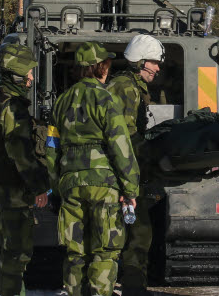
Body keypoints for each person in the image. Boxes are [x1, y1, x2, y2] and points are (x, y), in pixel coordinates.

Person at [44, 42, 140, 296]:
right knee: (105, 251)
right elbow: (121, 146)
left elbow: (51, 147)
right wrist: (130, 189)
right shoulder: (106, 98)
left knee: (76, 252)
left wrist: (55, 188)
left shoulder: (62, 102)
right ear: (101, 67)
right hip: (103, 183)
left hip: (70, 183)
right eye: (106, 63)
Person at [0, 43, 51, 296]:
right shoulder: (13, 108)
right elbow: (20, 153)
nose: (31, 78)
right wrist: (40, 186)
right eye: (28, 73)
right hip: (13, 192)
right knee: (17, 253)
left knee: (11, 251)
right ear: (17, 74)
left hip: (2, 188)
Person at [105, 34, 163, 296]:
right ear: (140, 61)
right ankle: (132, 289)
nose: (158, 67)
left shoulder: (129, 86)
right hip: (122, 174)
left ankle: (132, 287)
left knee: (137, 233)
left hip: (124, 172)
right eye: (154, 62)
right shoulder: (125, 88)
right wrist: (152, 153)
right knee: (137, 234)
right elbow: (123, 137)